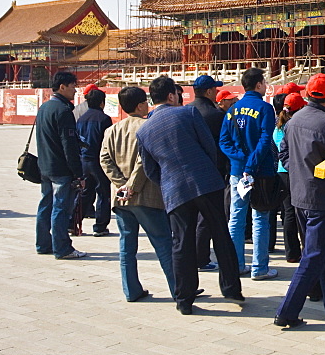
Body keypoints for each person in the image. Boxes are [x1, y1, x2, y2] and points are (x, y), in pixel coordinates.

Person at [137, 75, 243, 315]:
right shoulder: (188, 114)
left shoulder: (144, 131)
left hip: (174, 189)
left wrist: (167, 182)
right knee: (221, 235)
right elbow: (209, 147)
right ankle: (231, 287)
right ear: (172, 96)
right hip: (206, 181)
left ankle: (184, 299)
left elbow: (150, 169)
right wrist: (208, 170)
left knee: (181, 243)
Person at [274, 73, 325, 328]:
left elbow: (284, 154)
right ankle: (287, 310)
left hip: (299, 193)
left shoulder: (295, 119)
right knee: (314, 254)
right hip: (321, 196)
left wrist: (300, 171)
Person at [99, 86, 176, 302]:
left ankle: (131, 290)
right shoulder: (148, 126)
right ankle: (178, 289)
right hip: (146, 196)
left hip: (121, 199)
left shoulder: (112, 130)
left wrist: (121, 185)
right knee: (163, 244)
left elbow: (104, 160)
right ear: (141, 105)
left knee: (127, 247)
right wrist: (132, 186)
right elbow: (144, 160)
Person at [220, 67, 278, 281]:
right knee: (260, 217)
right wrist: (251, 163)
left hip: (238, 172)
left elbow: (223, 141)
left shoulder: (232, 110)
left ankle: (237, 265)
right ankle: (259, 268)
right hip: (260, 171)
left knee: (236, 217)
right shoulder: (264, 108)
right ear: (258, 85)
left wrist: (240, 160)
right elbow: (265, 140)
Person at [34, 71, 86, 260]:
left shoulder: (44, 107)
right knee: (61, 209)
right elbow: (69, 145)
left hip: (45, 165)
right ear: (62, 87)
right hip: (61, 168)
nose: (75, 90)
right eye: (72, 86)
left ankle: (43, 244)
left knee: (45, 206)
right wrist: (78, 173)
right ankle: (62, 248)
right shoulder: (64, 111)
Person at [191, 74, 228, 272]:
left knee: (192, 217)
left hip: (189, 171)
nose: (216, 92)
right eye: (214, 89)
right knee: (207, 217)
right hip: (212, 171)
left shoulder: (185, 112)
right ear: (208, 91)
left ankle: (195, 256)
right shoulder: (216, 115)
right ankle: (201, 258)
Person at [75, 89, 114, 237]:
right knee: (103, 193)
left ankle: (73, 222)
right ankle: (100, 226)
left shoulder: (81, 118)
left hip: (84, 160)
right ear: (102, 102)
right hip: (98, 160)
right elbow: (107, 142)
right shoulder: (104, 119)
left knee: (85, 192)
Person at [274, 92, 306, 263]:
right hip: (294, 171)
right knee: (298, 212)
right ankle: (302, 248)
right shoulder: (296, 126)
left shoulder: (278, 126)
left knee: (288, 213)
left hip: (282, 171)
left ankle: (291, 252)